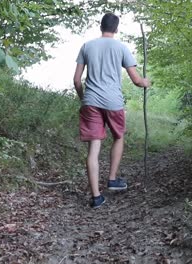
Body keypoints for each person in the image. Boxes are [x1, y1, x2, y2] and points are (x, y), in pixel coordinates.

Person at [73, 13, 151, 208]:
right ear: (116, 29)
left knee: (93, 148)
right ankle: (112, 179)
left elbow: (76, 80)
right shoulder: (121, 48)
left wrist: (84, 98)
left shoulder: (87, 46)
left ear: (101, 27)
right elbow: (136, 80)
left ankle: (96, 197)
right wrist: (146, 82)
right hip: (113, 102)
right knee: (119, 136)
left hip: (91, 102)